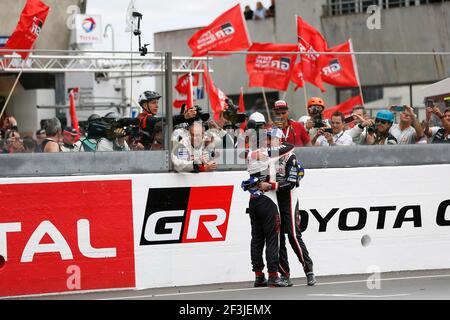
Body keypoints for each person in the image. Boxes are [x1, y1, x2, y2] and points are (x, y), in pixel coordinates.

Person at [265, 127, 316, 286]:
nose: (267, 141)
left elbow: (291, 183)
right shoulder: (266, 157)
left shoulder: (290, 157)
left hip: (289, 198)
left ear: (279, 140)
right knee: (277, 237)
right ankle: (285, 274)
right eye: (267, 138)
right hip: (275, 199)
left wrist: (271, 185)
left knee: (293, 235)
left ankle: (309, 269)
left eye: (271, 138)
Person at [242, 136, 289, 288]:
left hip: (253, 200)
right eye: (266, 140)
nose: (269, 142)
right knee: (272, 238)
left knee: (256, 240)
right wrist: (274, 146)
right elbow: (289, 146)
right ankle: (273, 276)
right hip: (267, 200)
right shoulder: (266, 153)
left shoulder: (249, 154)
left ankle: (258, 275)